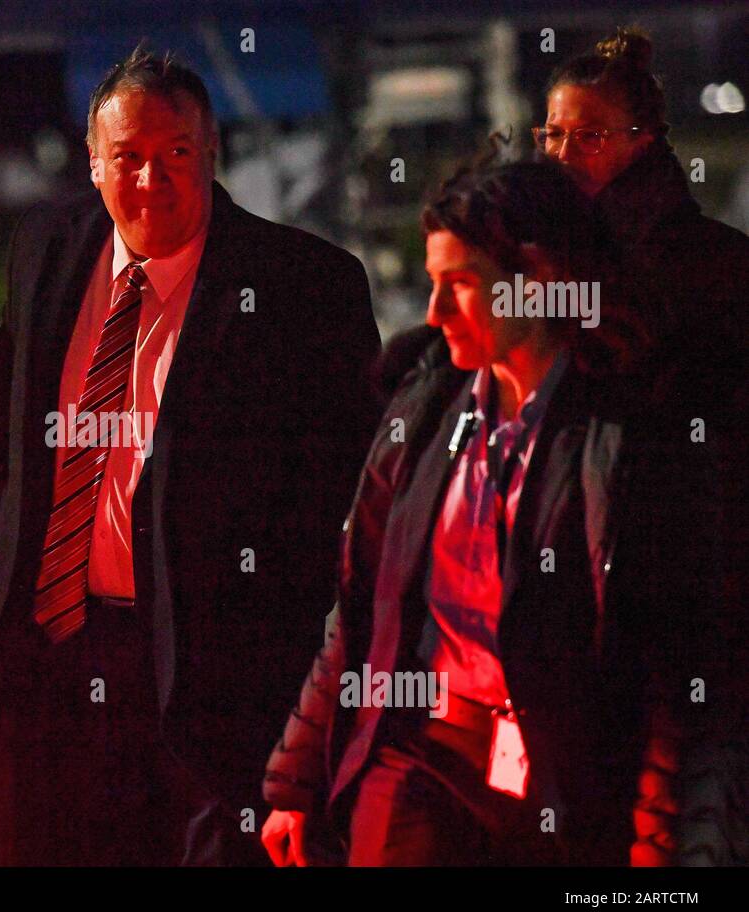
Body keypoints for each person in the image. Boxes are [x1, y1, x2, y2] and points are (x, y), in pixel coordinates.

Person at [0, 46, 381, 866]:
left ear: (212, 154)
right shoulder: (48, 248)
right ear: (94, 161)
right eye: (127, 159)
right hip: (52, 642)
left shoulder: (301, 286)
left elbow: (343, 480)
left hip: (205, 657)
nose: (150, 181)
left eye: (175, 155)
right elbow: (3, 406)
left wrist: (281, 623)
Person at [261, 156, 720, 866]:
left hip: (560, 787)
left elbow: (663, 660)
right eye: (433, 283)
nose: (435, 312)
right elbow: (362, 606)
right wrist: (294, 781)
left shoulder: (619, 438)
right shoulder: (424, 411)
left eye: (463, 284)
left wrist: (655, 839)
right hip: (422, 754)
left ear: (539, 285)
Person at [535, 25, 749, 863]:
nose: (563, 154)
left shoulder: (700, 267)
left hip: (689, 596)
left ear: (645, 141)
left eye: (588, 136)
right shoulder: (545, 256)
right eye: (551, 134)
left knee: (682, 820)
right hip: (583, 599)